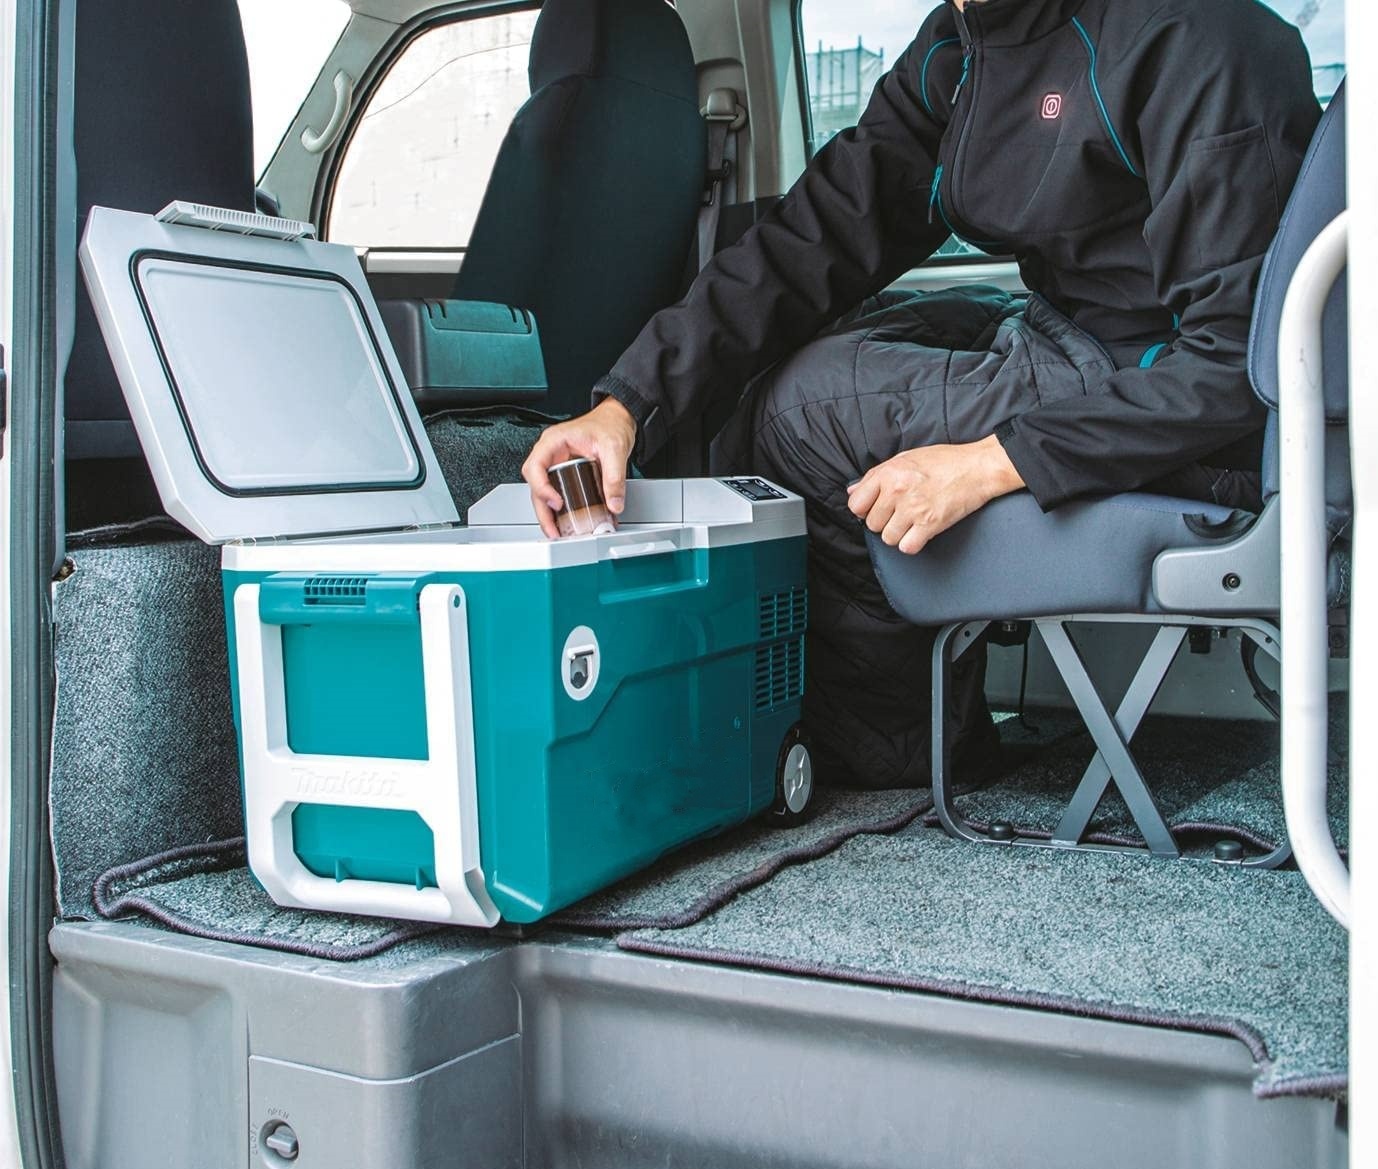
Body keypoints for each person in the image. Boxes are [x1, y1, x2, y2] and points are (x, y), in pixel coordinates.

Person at [523, 0, 1321, 788]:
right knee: (802, 351)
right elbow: (817, 233)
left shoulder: (1194, 37)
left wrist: (991, 463)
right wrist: (626, 405)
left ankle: (902, 749)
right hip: (1066, 328)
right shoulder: (960, 45)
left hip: (1170, 394)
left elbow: (1238, 363)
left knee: (805, 414)